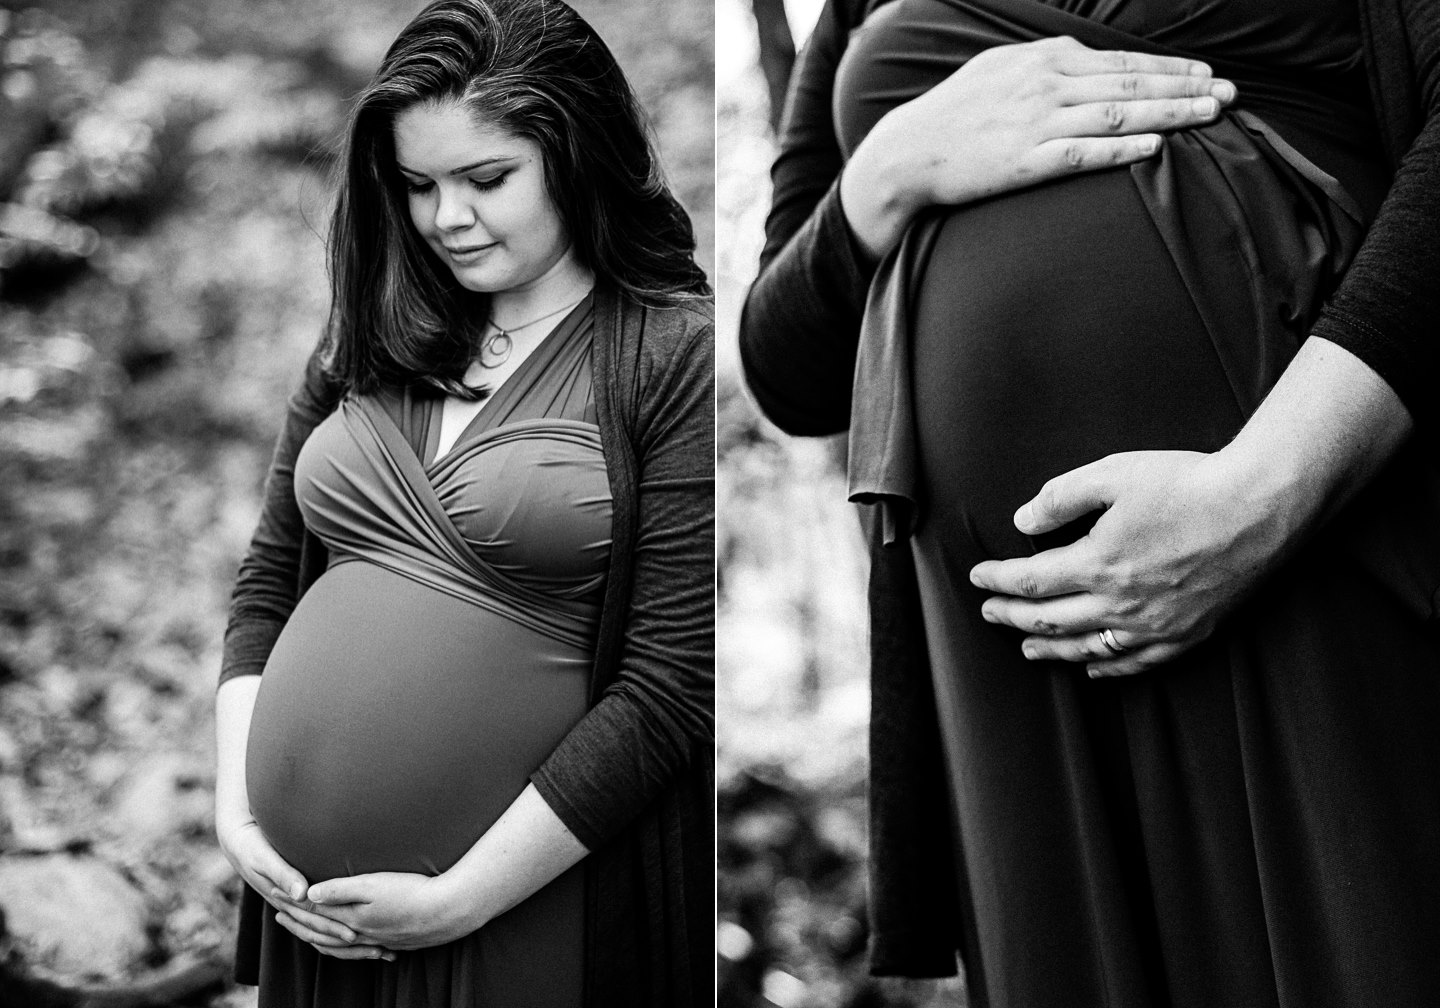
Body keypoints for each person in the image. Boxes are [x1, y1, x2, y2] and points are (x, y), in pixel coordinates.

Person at [740, 0, 1440, 1004]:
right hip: (1008, 653)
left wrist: (1265, 492)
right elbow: (783, 366)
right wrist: (885, 174)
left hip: (1315, 537)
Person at [213, 1, 714, 1006]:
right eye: (417, 185)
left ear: (577, 156)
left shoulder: (673, 354)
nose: (447, 219)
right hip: (306, 917)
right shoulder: (368, 336)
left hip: (519, 912)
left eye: (487, 180)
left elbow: (670, 685)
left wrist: (465, 899)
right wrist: (239, 816)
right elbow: (268, 586)